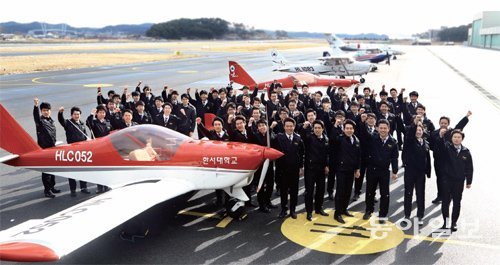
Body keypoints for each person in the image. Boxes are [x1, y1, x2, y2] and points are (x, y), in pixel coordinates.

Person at [359, 117, 399, 223]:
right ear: (377, 128)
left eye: (384, 128)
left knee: (385, 194)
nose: (382, 130)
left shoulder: (393, 142)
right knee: (369, 192)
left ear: (389, 129)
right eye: (380, 128)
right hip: (372, 169)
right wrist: (363, 122)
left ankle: (382, 215)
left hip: (384, 171)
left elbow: (394, 158)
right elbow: (363, 133)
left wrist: (395, 172)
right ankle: (368, 210)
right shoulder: (373, 138)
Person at [429, 111, 471, 204]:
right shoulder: (434, 133)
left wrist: (466, 117)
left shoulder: (451, 132)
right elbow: (431, 146)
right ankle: (440, 196)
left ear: (448, 124)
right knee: (439, 179)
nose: (443, 124)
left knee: (449, 179)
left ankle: (449, 196)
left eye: (445, 123)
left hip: (449, 162)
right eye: (442, 123)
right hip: (438, 161)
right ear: (439, 123)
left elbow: (459, 126)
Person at [438, 129, 473, 232]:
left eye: (459, 137)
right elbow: (440, 146)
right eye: (454, 137)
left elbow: (469, 167)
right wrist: (441, 136)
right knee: (445, 202)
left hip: (459, 181)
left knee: (457, 202)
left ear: (462, 139)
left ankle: (454, 223)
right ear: (451, 138)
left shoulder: (466, 152)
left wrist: (469, 181)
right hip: (447, 180)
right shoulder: (447, 148)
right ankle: (446, 222)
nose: (456, 139)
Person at [331, 119, 361, 224]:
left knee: (348, 191)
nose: (349, 130)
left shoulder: (356, 140)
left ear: (353, 129)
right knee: (340, 191)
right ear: (343, 129)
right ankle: (337, 213)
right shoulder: (340, 139)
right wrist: (335, 126)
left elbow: (358, 156)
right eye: (347, 128)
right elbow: (332, 139)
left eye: (351, 128)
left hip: (351, 170)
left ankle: (344, 209)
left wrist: (357, 169)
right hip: (341, 169)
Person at [401, 122, 431, 225]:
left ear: (423, 132)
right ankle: (407, 215)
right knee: (408, 194)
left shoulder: (426, 143)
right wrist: (414, 124)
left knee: (420, 194)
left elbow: (428, 158)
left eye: (420, 130)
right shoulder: (409, 141)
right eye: (416, 130)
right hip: (410, 172)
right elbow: (409, 134)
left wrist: (428, 171)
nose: (418, 132)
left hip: (421, 173)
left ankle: (420, 215)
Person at [275, 118, 304, 219]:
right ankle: (284, 209)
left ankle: (293, 210)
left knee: (294, 191)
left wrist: (301, 167)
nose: (289, 128)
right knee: (283, 191)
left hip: (294, 170)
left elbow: (301, 154)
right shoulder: (279, 137)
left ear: (294, 127)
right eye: (287, 126)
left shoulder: (298, 138)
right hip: (283, 170)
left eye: (291, 126)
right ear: (284, 127)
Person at [58, 106, 91, 196]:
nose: (77, 116)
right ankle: (73, 190)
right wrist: (60, 113)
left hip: (82, 150)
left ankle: (84, 187)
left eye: (78, 114)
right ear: (71, 115)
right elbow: (61, 121)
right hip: (72, 151)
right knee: (72, 171)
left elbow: (85, 135)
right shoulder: (68, 123)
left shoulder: (81, 123)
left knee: (83, 170)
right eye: (75, 114)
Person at [301, 120, 329, 221]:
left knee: (321, 190)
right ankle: (309, 212)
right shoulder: (309, 138)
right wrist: (304, 128)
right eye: (315, 128)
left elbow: (327, 154)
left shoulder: (326, 138)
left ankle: (319, 208)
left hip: (321, 169)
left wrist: (327, 165)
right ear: (313, 129)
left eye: (319, 128)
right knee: (309, 191)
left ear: (322, 129)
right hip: (310, 169)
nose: (317, 129)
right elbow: (303, 137)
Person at [33, 98, 59, 198]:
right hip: (44, 149)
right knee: (47, 171)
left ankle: (52, 187)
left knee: (53, 170)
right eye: (44, 110)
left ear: (50, 111)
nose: (46, 112)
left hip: (52, 148)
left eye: (47, 110)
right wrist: (35, 106)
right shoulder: (40, 121)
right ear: (41, 111)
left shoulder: (51, 121)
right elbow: (36, 117)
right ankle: (47, 190)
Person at [86, 105, 113, 193]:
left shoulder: (108, 122)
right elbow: (88, 123)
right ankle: (99, 187)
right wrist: (91, 115)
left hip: (107, 148)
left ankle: (107, 185)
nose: (102, 114)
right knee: (98, 169)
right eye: (100, 112)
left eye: (103, 112)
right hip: (97, 149)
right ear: (97, 113)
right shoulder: (94, 122)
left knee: (107, 168)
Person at [253, 119, 278, 213]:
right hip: (260, 165)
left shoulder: (271, 134)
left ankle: (268, 201)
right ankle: (261, 205)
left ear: (266, 126)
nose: (261, 127)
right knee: (260, 185)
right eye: (259, 126)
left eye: (263, 125)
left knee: (271, 184)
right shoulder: (255, 136)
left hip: (270, 164)